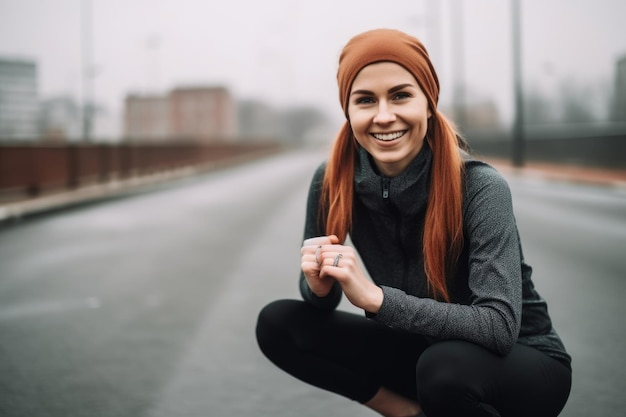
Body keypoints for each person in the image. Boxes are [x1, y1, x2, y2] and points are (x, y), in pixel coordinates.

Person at [255, 28, 572, 417]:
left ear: (428, 103)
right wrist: (318, 288)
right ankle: (407, 413)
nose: (384, 116)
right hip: (423, 354)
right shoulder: (332, 178)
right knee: (279, 324)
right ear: (349, 111)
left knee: (443, 369)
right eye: (366, 100)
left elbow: (498, 326)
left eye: (401, 95)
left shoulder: (480, 186)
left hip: (521, 363)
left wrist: (377, 299)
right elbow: (316, 300)